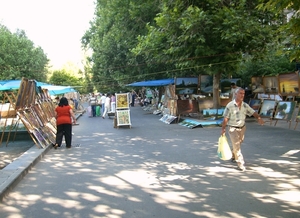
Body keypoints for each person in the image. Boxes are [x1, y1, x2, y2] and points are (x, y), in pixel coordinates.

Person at [221, 87, 264, 172]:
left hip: (242, 128)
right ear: (235, 94)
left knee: (238, 144)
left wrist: (258, 118)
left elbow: (252, 112)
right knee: (237, 146)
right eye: (240, 93)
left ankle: (233, 156)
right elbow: (226, 118)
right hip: (233, 128)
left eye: (243, 94)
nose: (242, 95)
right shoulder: (230, 105)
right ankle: (240, 163)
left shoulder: (245, 105)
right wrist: (223, 129)